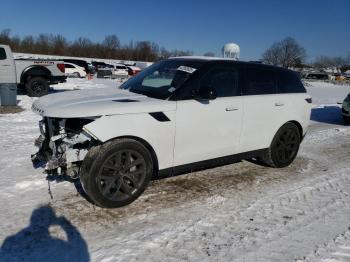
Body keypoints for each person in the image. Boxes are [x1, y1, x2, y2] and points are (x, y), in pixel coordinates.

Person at [0, 205, 89, 262]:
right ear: (51, 222)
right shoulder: (57, 247)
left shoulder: (10, 243)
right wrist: (66, 225)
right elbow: (82, 255)